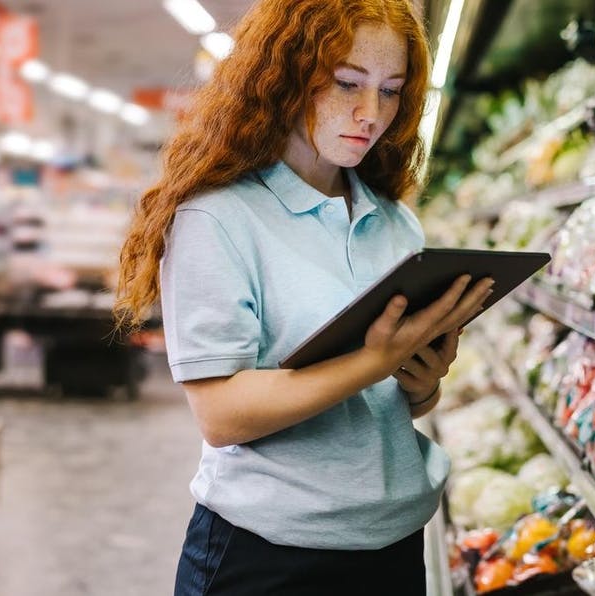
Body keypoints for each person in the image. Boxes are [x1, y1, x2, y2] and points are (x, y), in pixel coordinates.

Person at [116, 0, 493, 593]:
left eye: (391, 92)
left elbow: (394, 409)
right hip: (267, 557)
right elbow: (221, 414)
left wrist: (421, 380)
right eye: (347, 83)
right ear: (288, 75)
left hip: (392, 547)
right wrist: (373, 360)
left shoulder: (397, 225)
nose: (371, 114)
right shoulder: (219, 218)